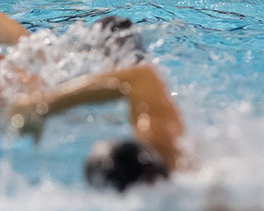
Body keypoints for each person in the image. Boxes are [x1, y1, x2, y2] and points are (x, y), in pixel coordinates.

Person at [9, 64, 186, 192]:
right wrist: (43, 105)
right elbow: (141, 77)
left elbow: (140, 77)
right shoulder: (177, 161)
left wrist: (39, 106)